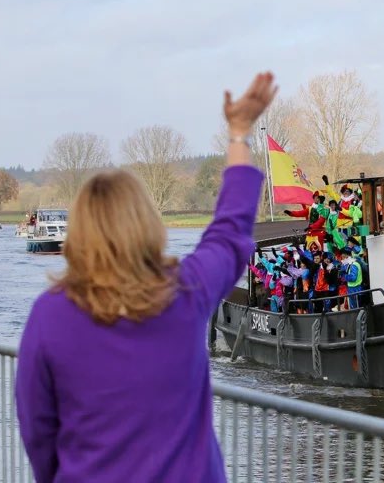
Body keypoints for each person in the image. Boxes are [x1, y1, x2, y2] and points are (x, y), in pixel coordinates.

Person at [15, 71, 276, 482]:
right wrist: (239, 135)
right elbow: (230, 231)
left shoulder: (50, 316)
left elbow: (37, 431)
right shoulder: (185, 293)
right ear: (147, 225)